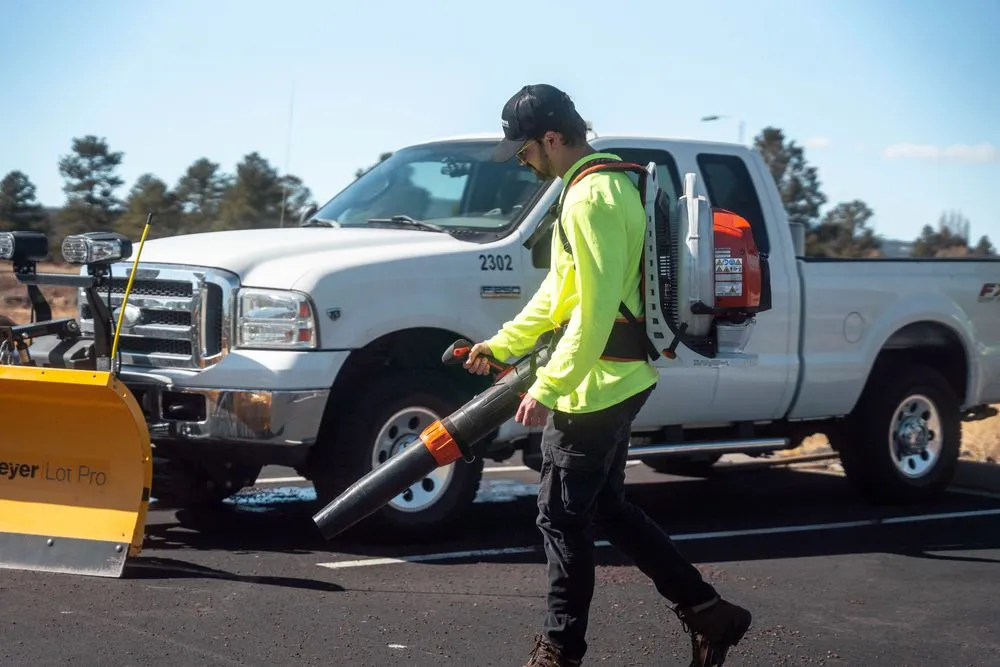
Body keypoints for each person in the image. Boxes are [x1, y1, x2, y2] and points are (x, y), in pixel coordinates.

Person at [464, 84, 753, 667]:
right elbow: (561, 291)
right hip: (617, 379)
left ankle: (560, 651)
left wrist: (548, 387)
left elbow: (594, 313)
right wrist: (503, 343)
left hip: (595, 389)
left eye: (525, 150)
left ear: (552, 138)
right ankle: (709, 613)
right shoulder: (604, 184)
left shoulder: (590, 198)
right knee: (605, 509)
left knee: (560, 518)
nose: (523, 161)